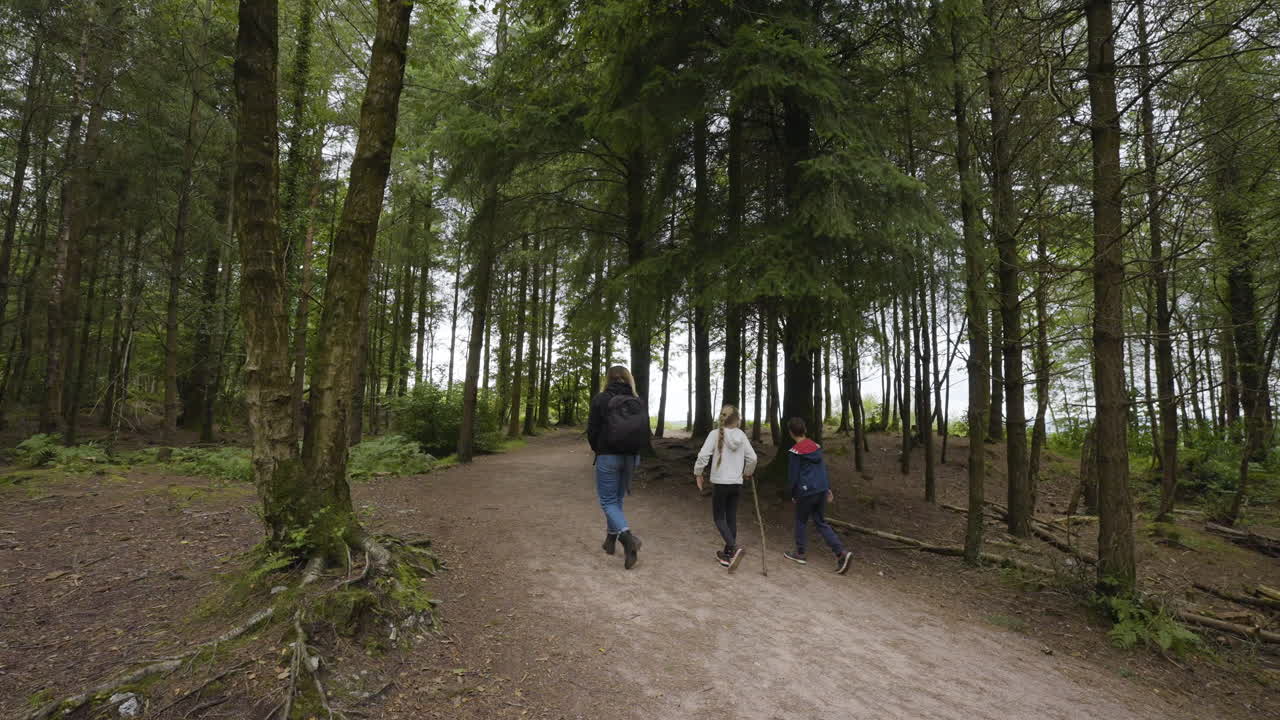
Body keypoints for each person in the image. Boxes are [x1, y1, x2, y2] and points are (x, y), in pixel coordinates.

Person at [586, 365, 649, 569]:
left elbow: (592, 430)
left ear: (608, 379)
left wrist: (599, 449)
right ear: (628, 379)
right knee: (617, 500)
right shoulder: (638, 401)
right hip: (631, 457)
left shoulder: (601, 399)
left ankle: (628, 540)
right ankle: (610, 541)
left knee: (608, 501)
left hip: (608, 456)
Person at [782, 417, 854, 574]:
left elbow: (793, 476)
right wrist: (827, 488)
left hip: (806, 491)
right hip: (821, 489)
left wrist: (793, 493)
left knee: (801, 521)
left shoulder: (795, 452)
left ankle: (800, 553)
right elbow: (822, 470)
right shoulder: (816, 447)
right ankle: (841, 553)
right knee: (821, 522)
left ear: (791, 433)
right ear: (804, 430)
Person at [693, 405, 757, 571]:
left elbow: (703, 456)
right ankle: (727, 556)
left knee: (719, 518)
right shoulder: (741, 436)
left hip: (721, 484)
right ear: (737, 419)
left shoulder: (714, 434)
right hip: (736, 484)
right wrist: (747, 473)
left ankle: (733, 548)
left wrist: (698, 473)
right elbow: (753, 458)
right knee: (731, 518)